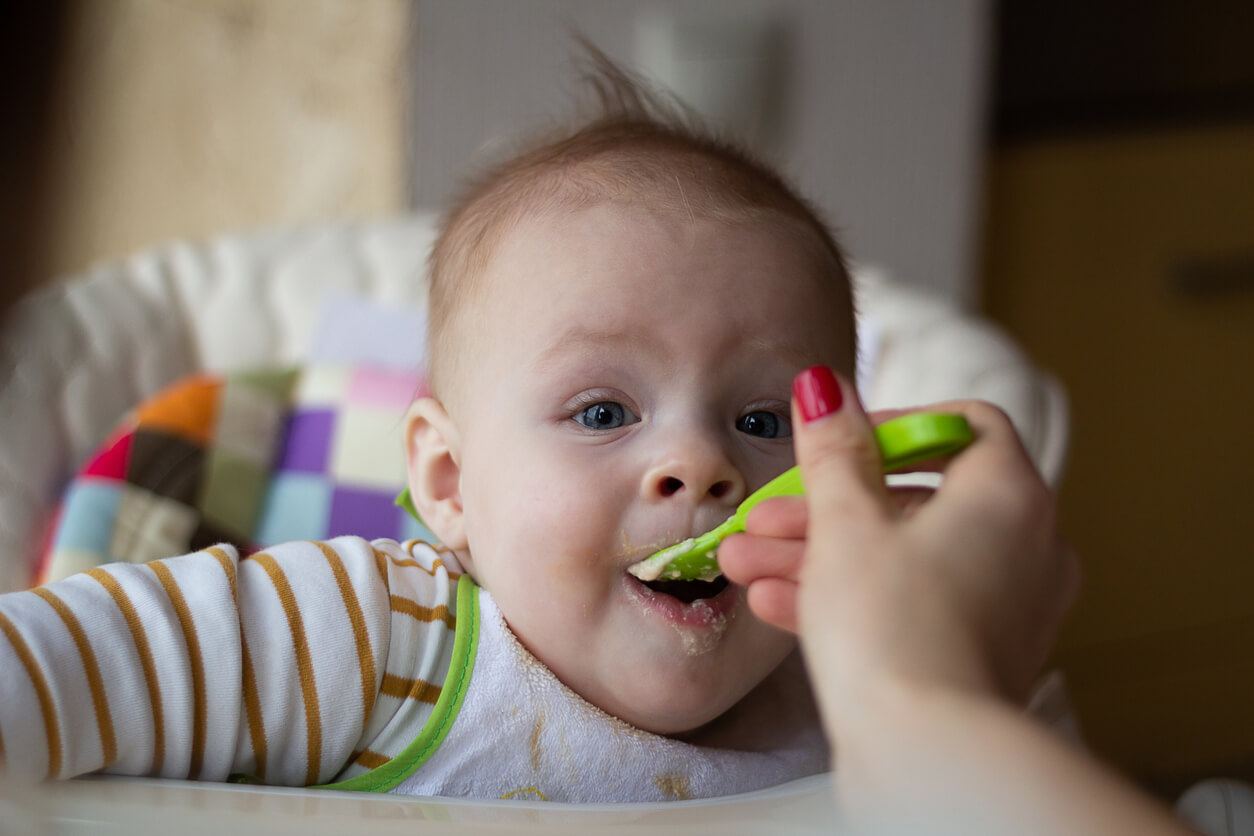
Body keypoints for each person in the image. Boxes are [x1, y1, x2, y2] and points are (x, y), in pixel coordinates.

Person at [0, 59, 853, 803]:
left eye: (762, 420)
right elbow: (95, 660)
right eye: (603, 413)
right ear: (448, 482)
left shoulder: (853, 680)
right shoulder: (385, 638)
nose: (701, 465)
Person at [720, 365, 1198, 835]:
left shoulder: (969, 689)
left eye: (762, 423)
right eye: (637, 416)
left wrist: (927, 696)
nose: (696, 464)